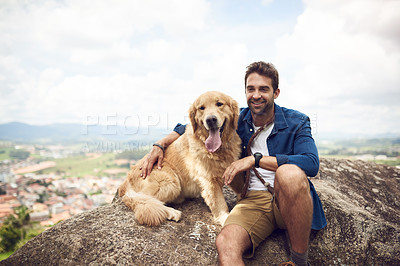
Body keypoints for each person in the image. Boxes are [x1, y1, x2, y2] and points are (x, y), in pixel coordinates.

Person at [139, 61, 326, 266]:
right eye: (250, 89)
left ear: (276, 92)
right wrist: (160, 144)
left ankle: (299, 262)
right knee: (226, 243)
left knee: (289, 173)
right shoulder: (238, 118)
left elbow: (311, 163)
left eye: (264, 89)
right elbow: (191, 124)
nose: (256, 95)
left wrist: (255, 160)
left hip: (288, 198)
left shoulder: (297, 121)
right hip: (253, 202)